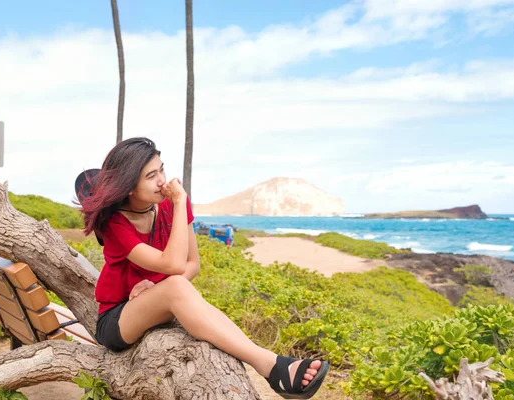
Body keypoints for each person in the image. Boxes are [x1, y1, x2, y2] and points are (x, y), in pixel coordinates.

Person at [76, 137, 329, 399]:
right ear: (129, 186)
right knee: (175, 285)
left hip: (159, 302)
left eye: (162, 169)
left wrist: (157, 289)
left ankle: (272, 364)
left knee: (178, 287)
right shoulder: (115, 223)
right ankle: (271, 367)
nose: (163, 180)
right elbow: (174, 265)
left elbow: (191, 265)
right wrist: (178, 206)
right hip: (118, 319)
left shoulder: (172, 205)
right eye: (152, 176)